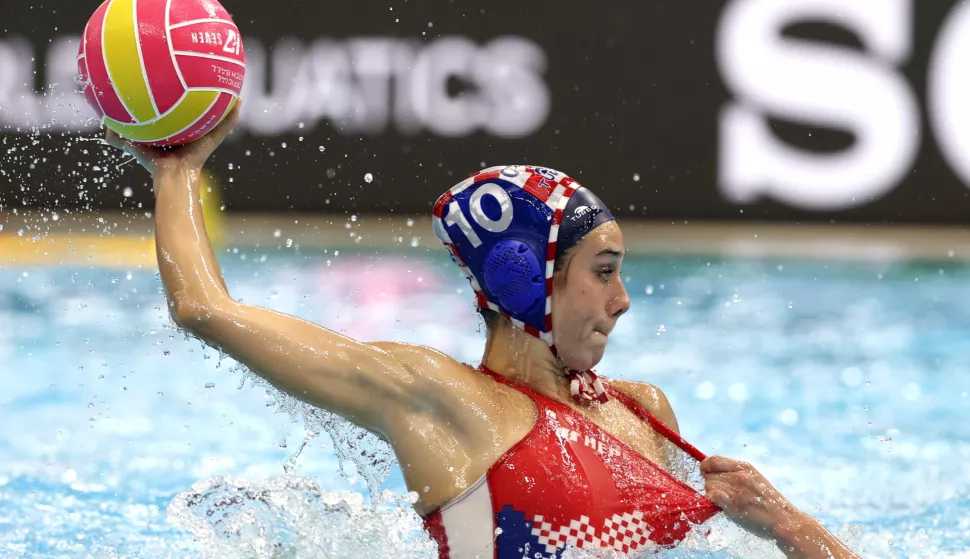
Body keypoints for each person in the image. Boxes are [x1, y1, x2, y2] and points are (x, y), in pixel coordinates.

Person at [103, 104, 861, 559]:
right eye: (603, 269)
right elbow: (206, 311)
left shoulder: (647, 412)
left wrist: (787, 523)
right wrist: (177, 168)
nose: (624, 299)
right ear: (525, 278)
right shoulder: (439, 402)